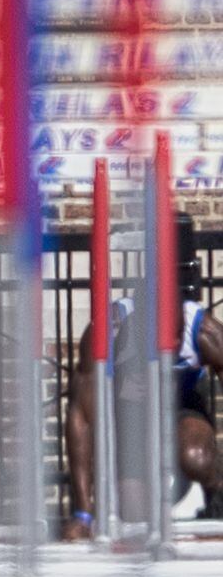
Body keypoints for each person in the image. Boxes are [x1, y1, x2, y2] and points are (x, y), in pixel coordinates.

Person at [64, 216, 223, 541]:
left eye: (177, 338)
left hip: (182, 415)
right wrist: (83, 513)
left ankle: (216, 498)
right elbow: (80, 415)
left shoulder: (204, 332)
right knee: (132, 510)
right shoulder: (111, 330)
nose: (173, 347)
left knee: (196, 456)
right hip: (131, 420)